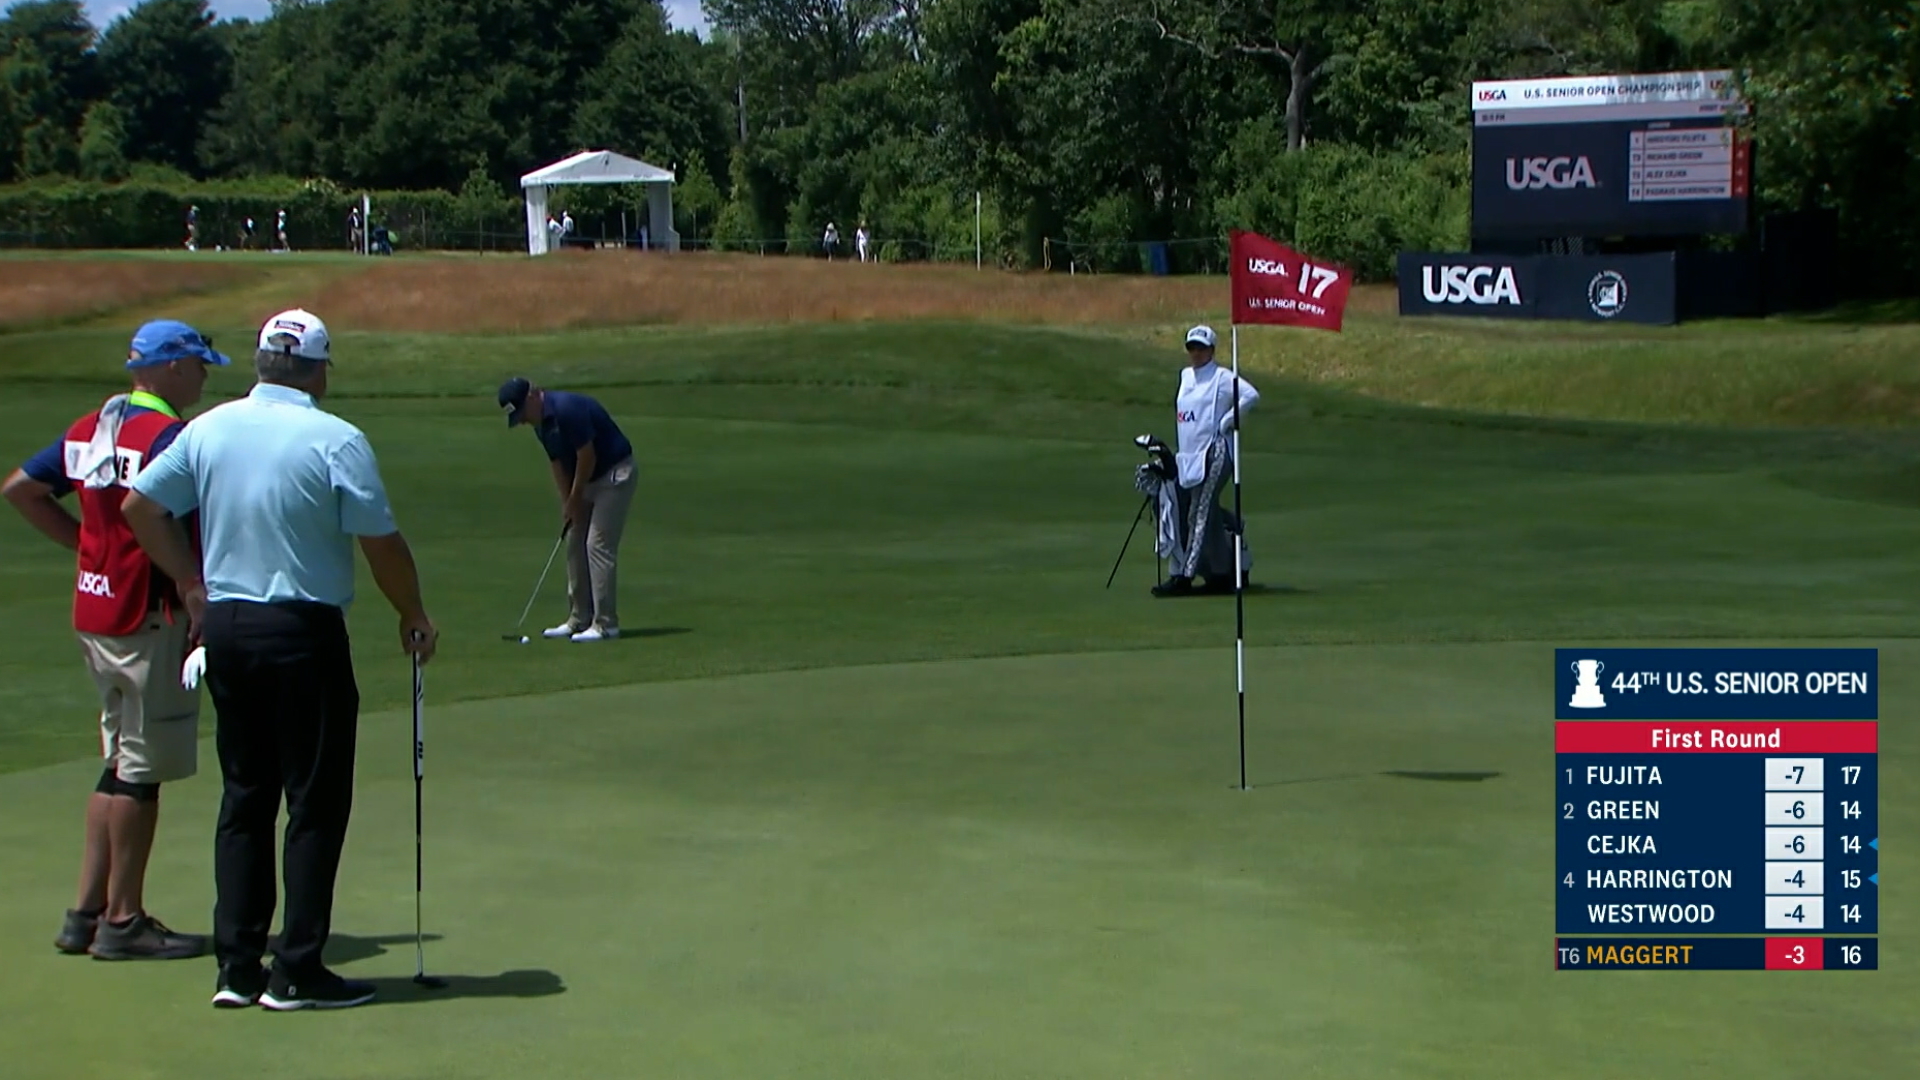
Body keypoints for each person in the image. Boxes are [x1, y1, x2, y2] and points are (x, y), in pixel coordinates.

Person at [122, 308, 439, 1011]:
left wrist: (191, 582)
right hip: (302, 631)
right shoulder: (335, 438)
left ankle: (238, 969)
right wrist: (412, 614)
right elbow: (379, 542)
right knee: (315, 801)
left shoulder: (208, 428)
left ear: (264, 362)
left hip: (228, 630)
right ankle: (296, 969)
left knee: (246, 797)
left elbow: (141, 508)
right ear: (319, 369)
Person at [2, 320, 227, 961]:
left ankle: (86, 911)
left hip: (96, 611)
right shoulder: (168, 436)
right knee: (141, 771)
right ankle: (123, 919)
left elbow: (22, 489)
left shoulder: (90, 424)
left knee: (118, 758)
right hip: (147, 613)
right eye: (198, 364)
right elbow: (166, 517)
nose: (205, 375)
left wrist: (88, 547)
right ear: (170, 368)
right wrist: (189, 583)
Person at [497, 377, 636, 641]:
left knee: (597, 544)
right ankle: (579, 618)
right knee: (575, 540)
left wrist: (575, 497)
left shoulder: (567, 409)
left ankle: (606, 624)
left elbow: (587, 456)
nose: (523, 421)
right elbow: (557, 462)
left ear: (532, 397)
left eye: (522, 413)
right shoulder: (541, 425)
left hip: (615, 475)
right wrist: (568, 503)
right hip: (588, 480)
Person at [1152, 324, 1257, 597]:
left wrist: (1228, 420)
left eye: (1201, 348)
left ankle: (1184, 577)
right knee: (1205, 513)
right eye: (1192, 348)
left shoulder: (1221, 377)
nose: (1196, 353)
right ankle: (1223, 573)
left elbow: (1250, 395)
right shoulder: (1185, 376)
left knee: (1198, 511)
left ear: (1212, 349)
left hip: (1216, 451)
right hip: (1190, 454)